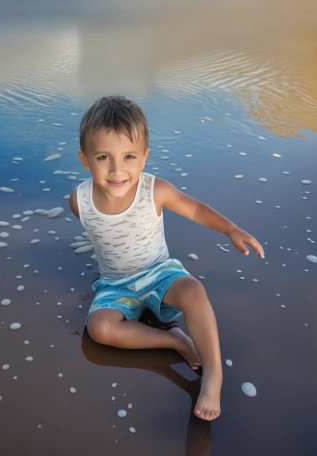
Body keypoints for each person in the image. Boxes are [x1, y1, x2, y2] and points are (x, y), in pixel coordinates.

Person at [69, 95, 265, 421]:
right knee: (98, 329)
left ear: (144, 158)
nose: (117, 170)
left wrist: (230, 229)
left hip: (160, 273)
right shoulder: (79, 201)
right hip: (116, 285)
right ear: (84, 159)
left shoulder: (154, 190)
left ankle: (213, 374)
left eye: (129, 156)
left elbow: (195, 208)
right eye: (104, 157)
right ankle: (172, 339)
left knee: (194, 290)